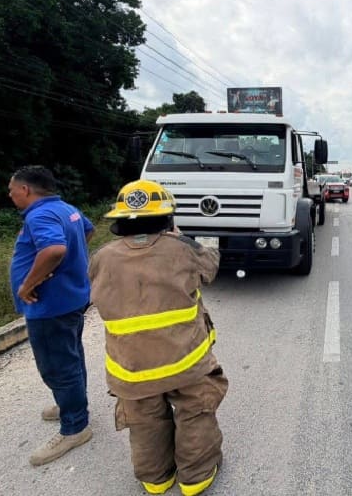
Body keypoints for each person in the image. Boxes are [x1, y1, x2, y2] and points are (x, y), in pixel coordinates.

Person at [89, 179, 227, 496]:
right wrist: (184, 239)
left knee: (144, 422)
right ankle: (196, 477)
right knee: (195, 412)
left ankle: (156, 479)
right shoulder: (182, 250)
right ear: (168, 219)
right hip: (186, 362)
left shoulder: (102, 257)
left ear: (119, 220)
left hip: (131, 368)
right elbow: (211, 265)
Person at [8, 166, 94, 466]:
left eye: (12, 190)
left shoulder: (39, 214)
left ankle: (75, 426)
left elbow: (54, 249)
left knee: (57, 365)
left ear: (26, 190)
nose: (10, 195)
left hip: (50, 305)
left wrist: (27, 284)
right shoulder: (65, 208)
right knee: (71, 355)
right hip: (70, 298)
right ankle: (73, 404)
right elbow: (87, 230)